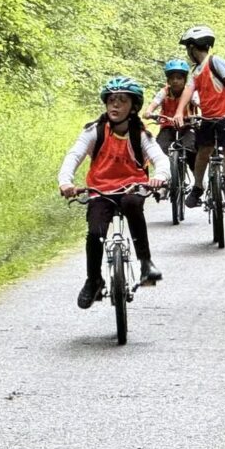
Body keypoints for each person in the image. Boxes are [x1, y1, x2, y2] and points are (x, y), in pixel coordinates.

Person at [59, 77, 168, 308]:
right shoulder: (94, 131)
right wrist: (66, 181)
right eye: (111, 100)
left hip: (132, 187)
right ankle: (93, 280)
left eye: (122, 101)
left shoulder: (140, 135)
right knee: (95, 232)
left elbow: (160, 159)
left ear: (134, 107)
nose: (115, 106)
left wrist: (160, 177)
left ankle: (146, 263)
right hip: (100, 189)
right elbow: (74, 155)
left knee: (131, 204)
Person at [173, 26, 225, 209]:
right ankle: (197, 188)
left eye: (188, 48)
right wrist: (180, 111)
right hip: (209, 118)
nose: (188, 52)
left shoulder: (215, 61)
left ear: (193, 48)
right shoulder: (195, 71)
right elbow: (188, 90)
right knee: (203, 152)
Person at [145, 59, 197, 173]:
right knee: (160, 148)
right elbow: (154, 103)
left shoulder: (190, 93)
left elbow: (199, 103)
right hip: (167, 127)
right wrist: (149, 112)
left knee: (190, 149)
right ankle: (168, 176)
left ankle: (198, 178)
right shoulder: (164, 92)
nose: (175, 81)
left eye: (179, 78)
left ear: (184, 80)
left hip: (187, 126)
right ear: (168, 80)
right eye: (172, 78)